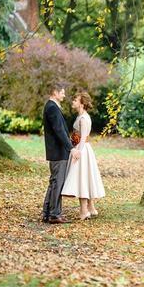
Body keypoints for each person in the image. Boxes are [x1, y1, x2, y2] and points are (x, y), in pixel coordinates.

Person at [61, 92, 105, 220]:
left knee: (82, 180)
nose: (73, 102)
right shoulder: (80, 116)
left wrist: (78, 153)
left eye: (75, 100)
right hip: (79, 148)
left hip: (82, 150)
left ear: (81, 103)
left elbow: (83, 138)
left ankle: (84, 211)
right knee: (84, 178)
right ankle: (90, 208)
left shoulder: (84, 118)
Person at [42, 83, 80, 224]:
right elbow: (59, 131)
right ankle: (54, 214)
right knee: (57, 183)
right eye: (62, 92)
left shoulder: (51, 106)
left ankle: (47, 212)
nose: (64, 95)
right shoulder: (52, 107)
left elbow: (60, 130)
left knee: (54, 183)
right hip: (58, 152)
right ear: (55, 92)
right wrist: (71, 148)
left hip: (56, 152)